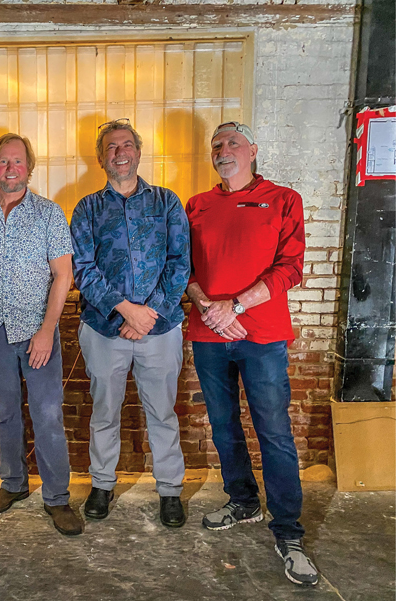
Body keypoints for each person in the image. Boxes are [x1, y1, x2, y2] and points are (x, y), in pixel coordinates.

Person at [185, 121, 318, 586]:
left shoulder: (283, 199)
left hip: (261, 335)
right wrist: (208, 307)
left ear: (253, 150)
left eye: (233, 143)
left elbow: (291, 267)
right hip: (209, 336)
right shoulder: (197, 205)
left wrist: (236, 305)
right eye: (217, 145)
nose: (224, 150)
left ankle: (288, 531)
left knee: (274, 431)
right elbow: (185, 269)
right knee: (223, 426)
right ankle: (242, 501)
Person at [70, 118, 190, 528]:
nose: (119, 153)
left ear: (138, 152)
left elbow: (179, 264)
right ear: (102, 157)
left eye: (126, 145)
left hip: (160, 328)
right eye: (111, 147)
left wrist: (147, 314)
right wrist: (125, 309)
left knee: (162, 411)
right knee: (104, 410)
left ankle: (170, 490)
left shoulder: (167, 202)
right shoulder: (87, 208)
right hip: (105, 329)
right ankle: (102, 484)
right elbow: (83, 269)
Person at [0, 133, 82, 536]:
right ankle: (13, 483)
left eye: (18, 161)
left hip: (38, 331)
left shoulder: (49, 214)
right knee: (7, 412)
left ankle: (57, 497)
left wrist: (48, 330)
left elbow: (63, 275)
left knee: (47, 414)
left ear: (29, 167)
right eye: (3, 161)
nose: (11, 168)